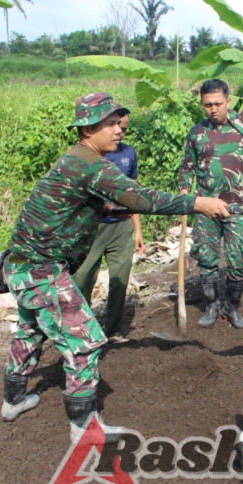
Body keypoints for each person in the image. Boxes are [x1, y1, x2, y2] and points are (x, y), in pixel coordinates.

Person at [0, 92, 229, 443]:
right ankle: (84, 428)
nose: (119, 129)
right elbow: (141, 198)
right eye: (110, 123)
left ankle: (13, 399)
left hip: (23, 264)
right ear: (88, 129)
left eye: (118, 121)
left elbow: (81, 205)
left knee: (31, 329)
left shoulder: (77, 159)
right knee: (86, 342)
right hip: (40, 270)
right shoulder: (90, 164)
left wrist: (106, 211)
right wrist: (198, 202)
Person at [177, 79, 243, 329]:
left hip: (237, 208)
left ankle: (232, 307)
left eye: (218, 103)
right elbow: (186, 167)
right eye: (208, 105)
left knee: (239, 259)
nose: (213, 109)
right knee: (206, 259)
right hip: (205, 208)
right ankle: (212, 305)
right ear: (202, 104)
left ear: (229, 101)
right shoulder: (196, 133)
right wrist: (185, 192)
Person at [72, 113, 143, 345]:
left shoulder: (129, 153)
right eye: (113, 126)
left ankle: (113, 331)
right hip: (93, 228)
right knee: (83, 279)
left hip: (121, 228)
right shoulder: (85, 156)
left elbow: (134, 194)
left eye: (123, 127)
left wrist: (137, 229)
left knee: (120, 279)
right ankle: (81, 331)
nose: (119, 132)